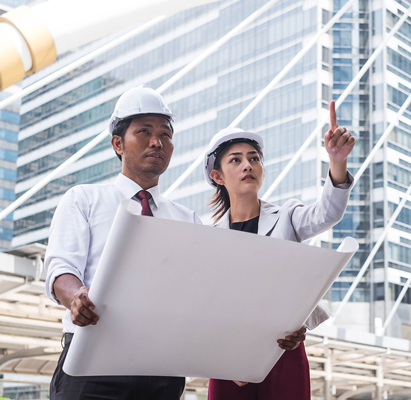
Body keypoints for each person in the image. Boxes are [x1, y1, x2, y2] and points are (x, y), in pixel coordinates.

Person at [45, 85, 201, 400]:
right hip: (91, 361)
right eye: (144, 131)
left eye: (165, 134)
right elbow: (61, 268)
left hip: (162, 368)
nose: (157, 141)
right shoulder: (83, 199)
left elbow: (201, 294)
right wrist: (77, 297)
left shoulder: (189, 220)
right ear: (118, 143)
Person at [204, 101, 355, 400]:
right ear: (218, 177)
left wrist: (337, 162)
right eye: (235, 160)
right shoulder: (208, 237)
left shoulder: (286, 217)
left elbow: (328, 213)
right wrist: (223, 354)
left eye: (254, 158)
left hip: (282, 352)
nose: (248, 165)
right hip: (228, 359)